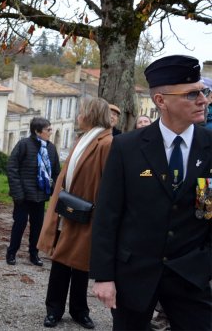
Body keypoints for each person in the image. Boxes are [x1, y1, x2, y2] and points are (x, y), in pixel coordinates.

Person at [90, 55, 212, 330]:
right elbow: (108, 215)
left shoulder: (209, 147)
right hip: (134, 276)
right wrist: (103, 276)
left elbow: (208, 210)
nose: (203, 100)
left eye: (203, 91)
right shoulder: (126, 148)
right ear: (161, 100)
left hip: (190, 277)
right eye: (192, 94)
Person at [37, 97, 113, 329]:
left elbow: (108, 184)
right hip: (66, 210)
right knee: (60, 261)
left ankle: (79, 310)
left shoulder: (105, 142)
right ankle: (54, 309)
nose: (78, 116)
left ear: (90, 115)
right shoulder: (82, 138)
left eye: (81, 112)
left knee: (80, 263)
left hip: (85, 213)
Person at [6, 117, 60, 266]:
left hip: (41, 196)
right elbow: (12, 168)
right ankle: (11, 253)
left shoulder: (51, 148)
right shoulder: (23, 145)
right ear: (37, 131)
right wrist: (18, 192)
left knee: (37, 227)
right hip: (23, 196)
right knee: (20, 224)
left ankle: (33, 254)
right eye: (48, 129)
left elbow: (56, 171)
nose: (50, 132)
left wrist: (52, 189)